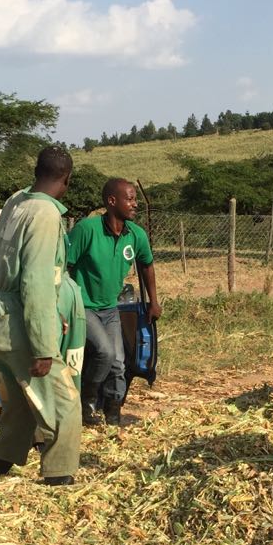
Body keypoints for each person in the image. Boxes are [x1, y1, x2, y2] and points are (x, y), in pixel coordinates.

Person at [0, 147, 83, 485]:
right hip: (16, 323)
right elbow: (36, 281)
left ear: (37, 172)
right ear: (66, 179)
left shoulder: (15, 202)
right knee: (64, 402)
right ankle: (59, 476)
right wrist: (43, 347)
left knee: (22, 401)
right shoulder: (46, 215)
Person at [67, 177, 161, 427]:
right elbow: (64, 265)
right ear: (112, 201)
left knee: (119, 362)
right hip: (82, 306)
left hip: (110, 307)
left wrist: (153, 301)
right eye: (130, 199)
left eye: (135, 199)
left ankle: (113, 412)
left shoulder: (135, 235)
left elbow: (147, 264)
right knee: (105, 352)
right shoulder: (87, 230)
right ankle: (86, 405)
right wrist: (62, 304)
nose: (135, 204)